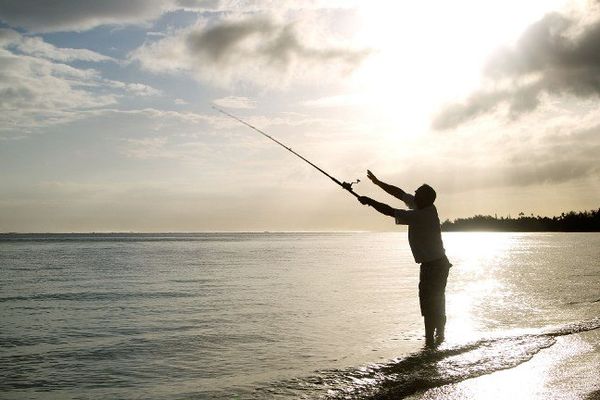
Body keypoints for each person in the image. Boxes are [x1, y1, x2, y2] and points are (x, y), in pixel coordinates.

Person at [357, 170, 451, 347]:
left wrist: (369, 201)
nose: (413, 196)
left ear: (424, 199)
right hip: (437, 264)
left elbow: (390, 211)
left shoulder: (422, 215)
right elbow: (398, 193)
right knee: (436, 301)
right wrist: (378, 182)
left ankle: (430, 342)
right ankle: (437, 339)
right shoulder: (423, 206)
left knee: (430, 303)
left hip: (434, 266)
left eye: (417, 194)